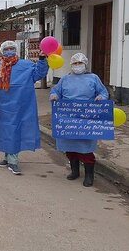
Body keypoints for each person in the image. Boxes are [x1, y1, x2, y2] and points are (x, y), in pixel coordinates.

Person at [0, 40, 48, 175]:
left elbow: (39, 73)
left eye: (11, 48)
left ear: (16, 50)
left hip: (21, 105)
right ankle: (7, 157)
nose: (9, 50)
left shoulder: (26, 65)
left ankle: (13, 161)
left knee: (15, 130)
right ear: (2, 51)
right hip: (3, 106)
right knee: (5, 132)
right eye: (7, 49)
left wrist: (42, 59)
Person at [49, 53, 109, 187]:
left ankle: (89, 175)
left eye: (80, 63)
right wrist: (53, 95)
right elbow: (56, 91)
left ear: (85, 64)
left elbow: (103, 92)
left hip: (86, 118)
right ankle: (74, 171)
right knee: (69, 147)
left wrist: (101, 98)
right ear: (71, 65)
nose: (77, 66)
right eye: (75, 63)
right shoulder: (65, 79)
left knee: (86, 147)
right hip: (68, 117)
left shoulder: (93, 78)